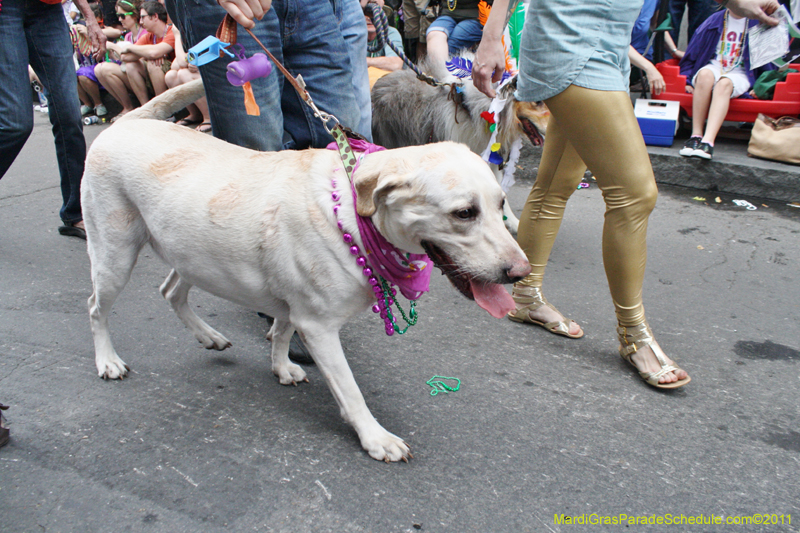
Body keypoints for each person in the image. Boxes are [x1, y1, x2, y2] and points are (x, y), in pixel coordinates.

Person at [472, 0, 779, 389]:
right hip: (570, 41)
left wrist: (743, 5)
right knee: (634, 194)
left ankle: (527, 297)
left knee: (555, 185)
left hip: (609, 47)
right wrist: (491, 36)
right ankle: (634, 333)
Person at [0, 0, 107, 240]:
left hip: (48, 11)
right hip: (5, 10)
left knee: (69, 115)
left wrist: (88, 16)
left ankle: (76, 212)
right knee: (16, 123)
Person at [678, 8, 773, 159]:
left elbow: (768, 61)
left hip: (740, 73)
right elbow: (692, 53)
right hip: (716, 66)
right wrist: (687, 79)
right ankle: (696, 136)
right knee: (704, 75)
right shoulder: (714, 20)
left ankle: (708, 142)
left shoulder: (758, 22)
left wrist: (761, 86)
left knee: (724, 84)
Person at [105, 1, 175, 110]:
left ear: (155, 16)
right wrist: (144, 54)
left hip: (175, 74)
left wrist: (131, 48)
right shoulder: (148, 36)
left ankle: (162, 109)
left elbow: (155, 52)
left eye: (143, 17)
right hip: (157, 77)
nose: (141, 21)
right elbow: (126, 57)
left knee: (153, 63)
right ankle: (146, 108)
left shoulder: (171, 31)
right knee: (131, 65)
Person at [95, 0, 148, 121]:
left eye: (122, 16)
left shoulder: (144, 33)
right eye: (118, 16)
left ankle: (144, 108)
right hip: (131, 75)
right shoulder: (128, 36)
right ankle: (127, 107)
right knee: (99, 69)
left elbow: (138, 59)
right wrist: (109, 51)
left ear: (134, 15)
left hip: (144, 75)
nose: (120, 20)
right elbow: (122, 60)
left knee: (121, 67)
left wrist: (114, 47)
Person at [165, 28, 212, 132]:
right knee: (171, 76)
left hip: (215, 81)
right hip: (202, 82)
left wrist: (177, 36)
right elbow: (175, 65)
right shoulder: (188, 34)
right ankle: (195, 114)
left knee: (183, 73)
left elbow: (182, 62)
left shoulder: (203, 31)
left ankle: (208, 117)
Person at [426, 0, 485, 66]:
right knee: (433, 35)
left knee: (452, 43)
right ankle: (440, 72)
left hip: (476, 17)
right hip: (448, 14)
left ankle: (447, 72)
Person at [366, 3, 405, 73]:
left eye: (374, 13)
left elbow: (396, 64)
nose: (370, 18)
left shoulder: (390, 32)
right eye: (366, 13)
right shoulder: (350, 34)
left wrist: (361, 61)